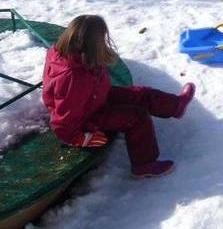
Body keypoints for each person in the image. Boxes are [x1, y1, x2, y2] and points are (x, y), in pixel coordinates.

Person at [42, 15, 195, 178]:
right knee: (137, 118)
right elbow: (64, 117)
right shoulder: (73, 77)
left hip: (94, 97)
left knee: (140, 94)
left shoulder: (72, 54)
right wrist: (78, 138)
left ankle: (175, 106)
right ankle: (144, 164)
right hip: (87, 117)